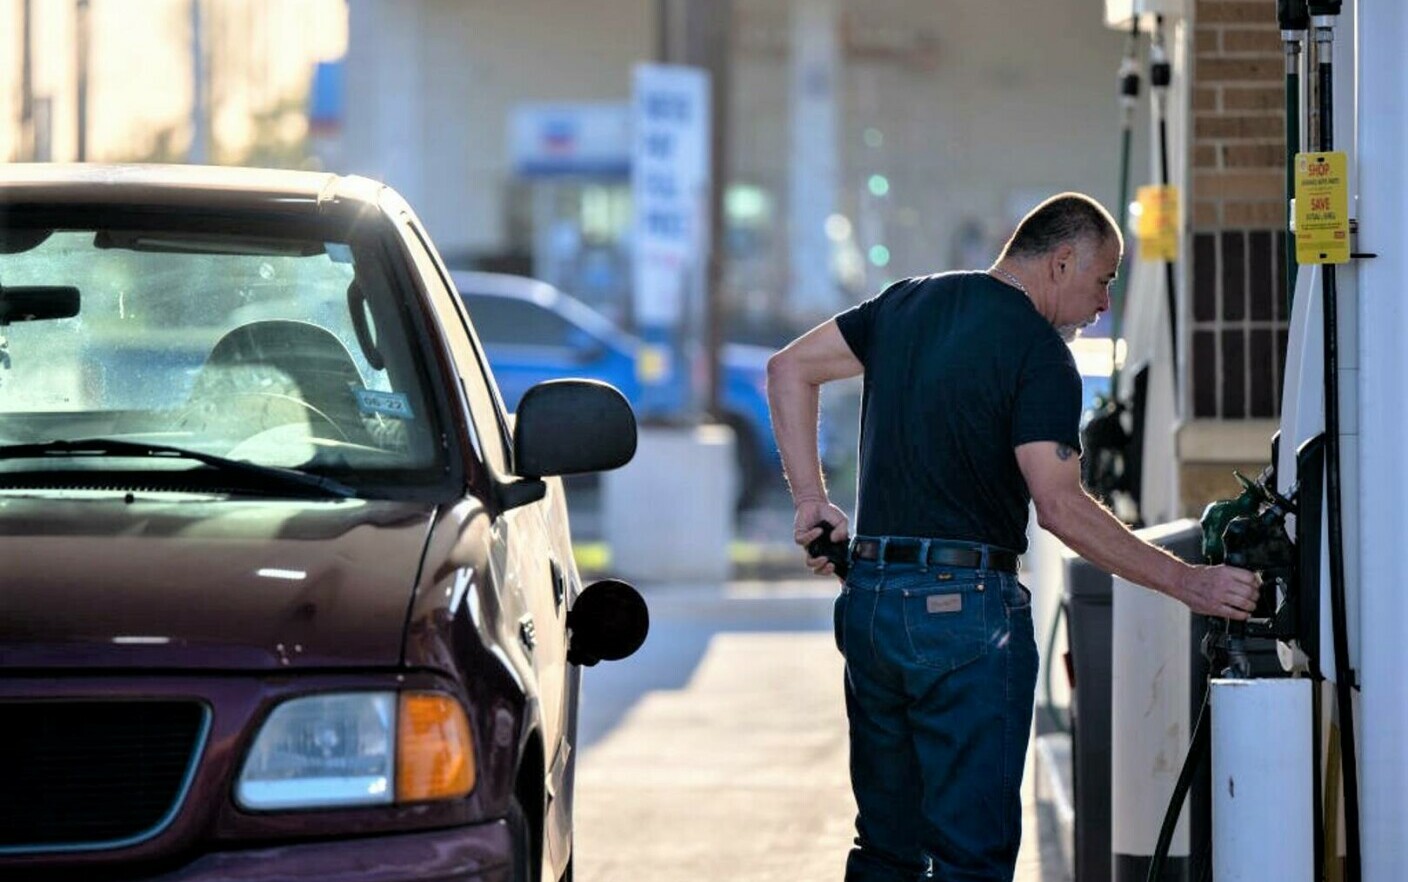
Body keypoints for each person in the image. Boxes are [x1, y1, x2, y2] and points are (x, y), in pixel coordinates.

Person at [765, 192, 1261, 882]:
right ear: (1061, 261)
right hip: (966, 621)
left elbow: (788, 367)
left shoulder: (905, 302)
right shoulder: (1039, 353)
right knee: (972, 859)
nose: (1103, 303)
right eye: (1104, 278)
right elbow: (1059, 506)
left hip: (872, 603)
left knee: (885, 850)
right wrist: (1189, 582)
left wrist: (813, 503)